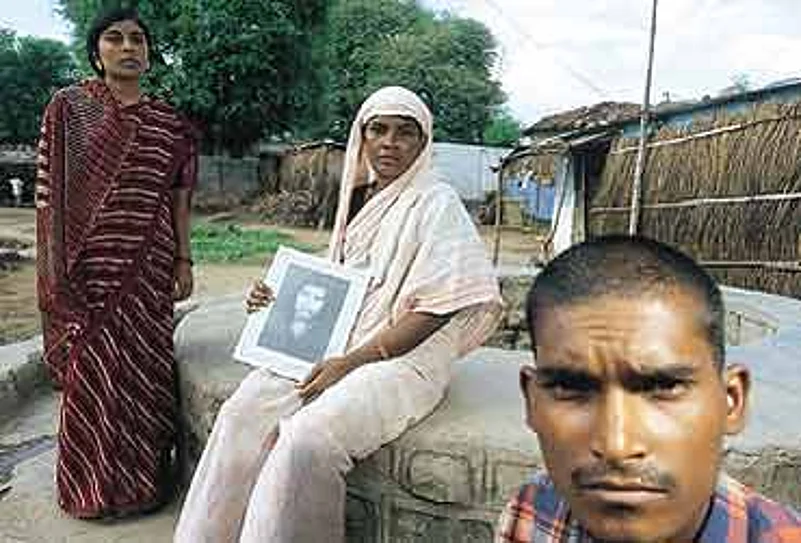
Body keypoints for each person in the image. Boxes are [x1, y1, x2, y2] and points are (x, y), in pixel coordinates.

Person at [174, 86, 503, 542]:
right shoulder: (360, 198)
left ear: (423, 141)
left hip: (404, 358)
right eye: (378, 130)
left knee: (306, 438)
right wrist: (275, 297)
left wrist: (350, 364)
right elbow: (343, 279)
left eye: (405, 132)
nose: (389, 143)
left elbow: (436, 309)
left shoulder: (437, 202)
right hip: (340, 339)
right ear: (361, 137)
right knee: (241, 414)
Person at [496, 235, 801, 542]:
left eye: (664, 386)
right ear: (532, 402)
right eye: (569, 387)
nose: (617, 446)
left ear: (731, 401)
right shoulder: (534, 514)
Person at [35, 7, 197, 519]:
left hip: (149, 264)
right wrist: (58, 267)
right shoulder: (70, 109)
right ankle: (89, 491)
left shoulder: (170, 123)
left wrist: (184, 259)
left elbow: (179, 199)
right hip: (87, 268)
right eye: (114, 38)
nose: (128, 47)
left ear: (149, 54)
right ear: (96, 52)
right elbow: (52, 195)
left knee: (145, 371)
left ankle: (141, 487)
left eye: (137, 40)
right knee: (92, 376)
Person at [257, 267, 347, 363]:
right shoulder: (272, 324)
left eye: (317, 298)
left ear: (325, 304)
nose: (308, 303)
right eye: (305, 294)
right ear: (296, 295)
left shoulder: (326, 337)